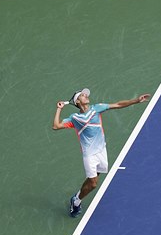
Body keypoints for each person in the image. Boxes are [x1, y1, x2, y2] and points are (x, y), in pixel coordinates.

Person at [53, 88, 151, 217]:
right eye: (82, 95)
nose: (86, 96)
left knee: (95, 177)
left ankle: (78, 195)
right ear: (77, 101)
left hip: (101, 150)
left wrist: (136, 101)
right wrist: (59, 109)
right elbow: (56, 126)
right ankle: (76, 200)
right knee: (93, 184)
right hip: (89, 154)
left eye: (86, 95)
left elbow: (117, 104)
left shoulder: (96, 108)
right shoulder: (75, 118)